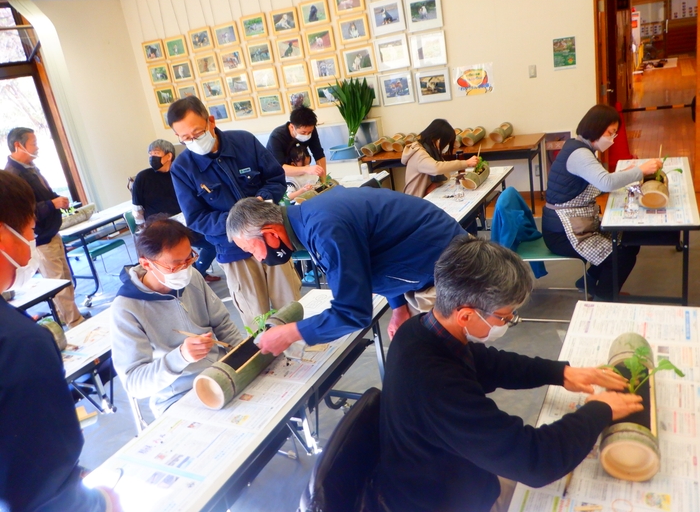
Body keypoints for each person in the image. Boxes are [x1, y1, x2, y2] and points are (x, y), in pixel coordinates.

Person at [368, 237, 643, 512]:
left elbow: (489, 364)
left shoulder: (420, 330)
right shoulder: (435, 385)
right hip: (440, 502)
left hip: (457, 474)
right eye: (504, 317)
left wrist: (560, 373)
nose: (508, 322)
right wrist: (599, 410)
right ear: (466, 315)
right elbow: (535, 461)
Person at [0, 171, 120, 512]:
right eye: (29, 231)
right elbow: (42, 488)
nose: (31, 243)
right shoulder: (21, 344)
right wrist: (100, 503)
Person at [226, 186, 466, 355]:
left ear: (270, 233)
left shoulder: (324, 230)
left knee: (429, 363)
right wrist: (398, 307)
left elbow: (352, 312)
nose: (258, 258)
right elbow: (379, 253)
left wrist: (290, 333)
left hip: (450, 273)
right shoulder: (311, 216)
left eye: (251, 249)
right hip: (433, 265)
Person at [167, 96, 300, 328]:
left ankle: (305, 350)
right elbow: (196, 218)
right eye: (185, 138)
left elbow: (276, 179)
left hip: (271, 237)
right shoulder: (182, 168)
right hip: (233, 250)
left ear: (210, 121)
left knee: (292, 308)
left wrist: (261, 200)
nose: (193, 140)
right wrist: (238, 223)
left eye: (197, 133)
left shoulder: (244, 142)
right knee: (256, 318)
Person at [111, 218, 242, 416]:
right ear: (146, 263)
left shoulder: (193, 277)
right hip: (177, 396)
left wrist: (243, 357)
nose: (184, 269)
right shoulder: (126, 308)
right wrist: (180, 357)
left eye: (189, 258)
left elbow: (222, 323)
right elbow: (134, 384)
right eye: (175, 265)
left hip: (221, 374)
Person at [542, 104, 663, 300]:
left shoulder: (579, 147)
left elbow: (599, 181)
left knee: (629, 239)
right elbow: (605, 183)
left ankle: (589, 282)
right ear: (596, 127)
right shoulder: (580, 153)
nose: (612, 138)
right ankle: (604, 298)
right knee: (620, 256)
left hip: (578, 224)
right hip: (563, 232)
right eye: (610, 132)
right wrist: (640, 170)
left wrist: (625, 174)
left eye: (614, 133)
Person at [4, 127, 85, 328]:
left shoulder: (30, 168)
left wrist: (56, 200)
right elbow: (24, 212)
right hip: (41, 239)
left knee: (65, 278)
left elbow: (43, 196)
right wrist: (51, 204)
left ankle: (66, 316)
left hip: (51, 232)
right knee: (58, 282)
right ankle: (76, 322)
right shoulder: (13, 176)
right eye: (33, 143)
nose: (37, 147)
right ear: (18, 145)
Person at [131, 139, 220, 283]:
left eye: (156, 153)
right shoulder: (143, 177)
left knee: (213, 244)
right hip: (159, 228)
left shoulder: (179, 173)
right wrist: (144, 230)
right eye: (150, 154)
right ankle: (195, 276)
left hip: (185, 222)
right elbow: (137, 208)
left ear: (169, 156)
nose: (152, 157)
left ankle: (197, 274)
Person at [401, 118, 479, 197]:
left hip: (427, 196)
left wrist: (436, 184)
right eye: (446, 142)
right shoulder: (418, 153)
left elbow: (445, 174)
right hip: (416, 200)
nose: (446, 145)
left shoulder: (431, 150)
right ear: (437, 139)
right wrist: (466, 163)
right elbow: (436, 168)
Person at [266, 106, 327, 177]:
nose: (307, 135)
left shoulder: (309, 129)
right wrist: (306, 169)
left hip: (300, 171)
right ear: (292, 127)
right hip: (277, 174)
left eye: (309, 132)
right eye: (303, 132)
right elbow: (280, 168)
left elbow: (319, 154)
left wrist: (324, 180)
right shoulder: (277, 137)